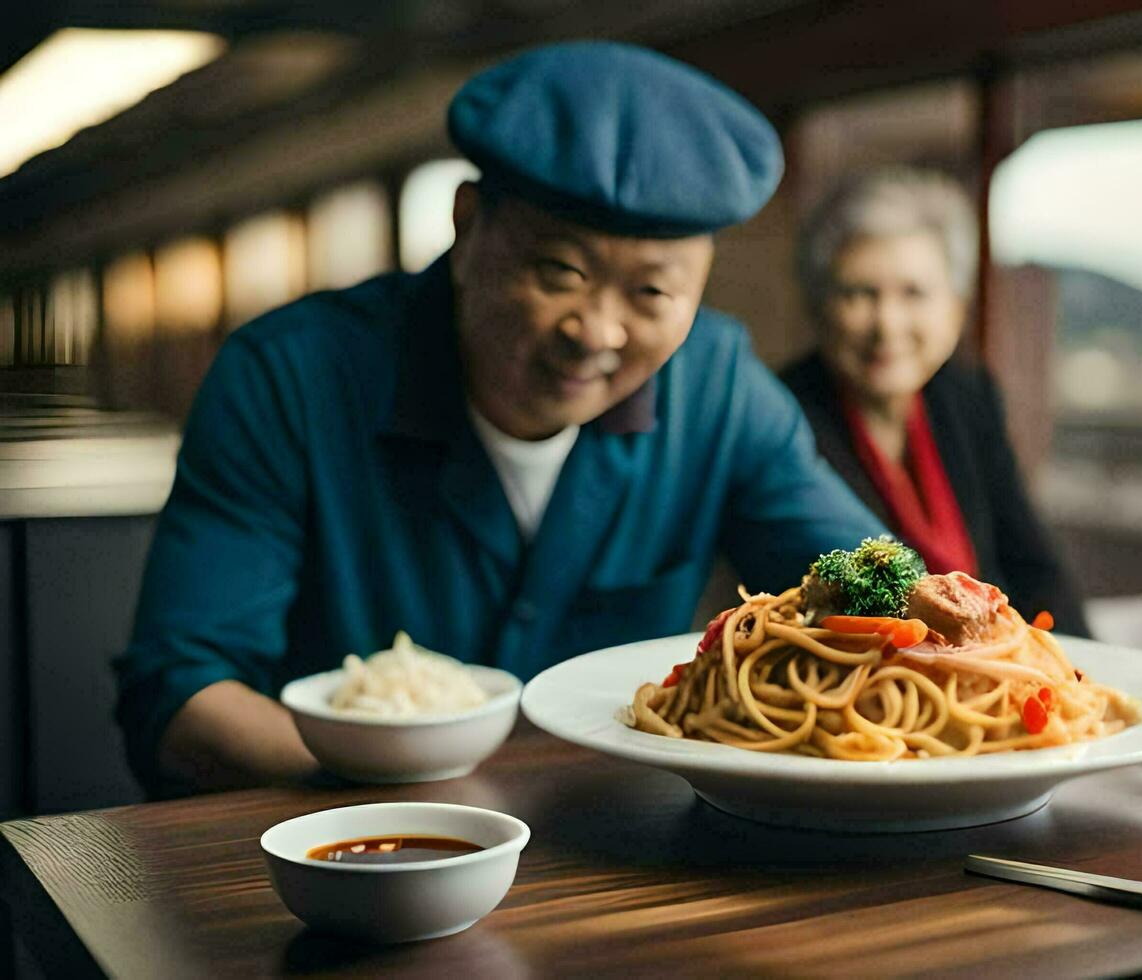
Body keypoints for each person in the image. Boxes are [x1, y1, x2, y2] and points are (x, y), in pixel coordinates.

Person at [115, 41, 885, 795]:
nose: (596, 332)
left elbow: (866, 577)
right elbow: (183, 697)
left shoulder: (716, 386)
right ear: (466, 224)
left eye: (651, 294)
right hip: (345, 851)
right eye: (560, 272)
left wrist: (932, 606)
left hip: (610, 855)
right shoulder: (287, 377)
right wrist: (413, 795)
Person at [780, 167, 1087, 635]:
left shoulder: (967, 396)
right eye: (859, 294)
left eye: (914, 293)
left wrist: (1082, 676)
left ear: (956, 308)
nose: (887, 324)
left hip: (995, 676)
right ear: (819, 306)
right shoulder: (780, 416)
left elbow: (1034, 566)